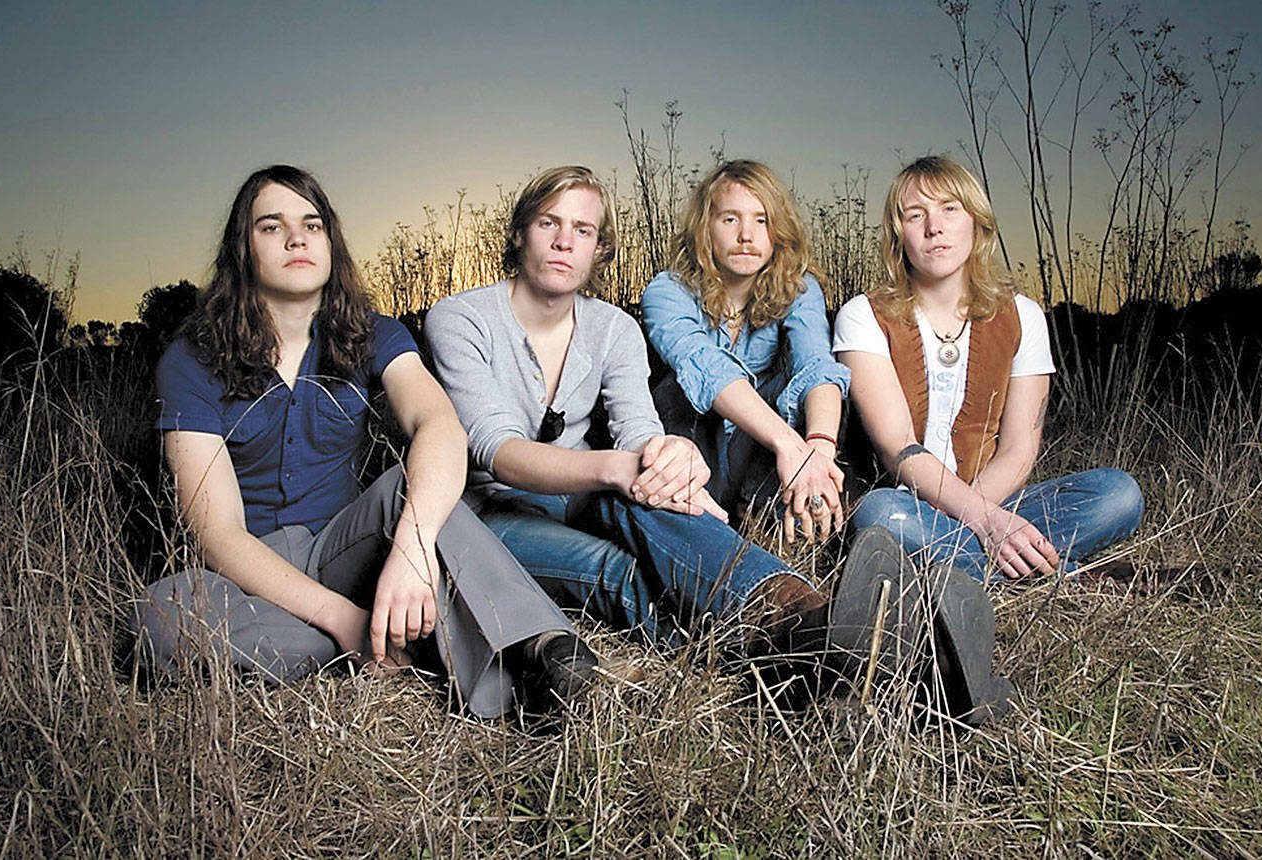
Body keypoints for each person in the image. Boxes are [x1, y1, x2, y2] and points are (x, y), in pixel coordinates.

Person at [134, 165, 593, 718]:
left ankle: (543, 651)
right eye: (272, 227)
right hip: (243, 572)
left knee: (419, 484)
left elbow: (439, 425)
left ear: (331, 241)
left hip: (340, 546)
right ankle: (364, 638)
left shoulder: (372, 333)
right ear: (242, 248)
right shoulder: (191, 359)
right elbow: (217, 535)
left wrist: (413, 546)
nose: (297, 238)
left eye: (312, 224)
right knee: (161, 618)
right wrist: (343, 619)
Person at [424, 165, 854, 664]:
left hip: (585, 497)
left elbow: (638, 431)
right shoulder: (459, 318)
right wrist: (619, 469)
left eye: (582, 230)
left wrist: (668, 458)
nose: (565, 242)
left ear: (599, 249)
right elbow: (495, 450)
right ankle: (786, 653)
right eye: (549, 224)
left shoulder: (614, 329)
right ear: (520, 233)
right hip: (488, 511)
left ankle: (802, 614)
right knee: (622, 570)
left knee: (654, 485)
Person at [833, 156, 1143, 582]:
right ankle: (1066, 576)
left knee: (1119, 495)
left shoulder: (1022, 316)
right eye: (915, 214)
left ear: (975, 222)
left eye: (949, 209)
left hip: (990, 505)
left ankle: (952, 566)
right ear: (897, 234)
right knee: (880, 515)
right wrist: (984, 524)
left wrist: (986, 518)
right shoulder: (864, 315)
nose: (933, 226)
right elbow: (898, 447)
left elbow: (1019, 449)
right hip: (904, 504)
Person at [642, 160, 849, 543]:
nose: (746, 236)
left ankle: (784, 524)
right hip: (693, 442)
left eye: (761, 220)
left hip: (761, 461)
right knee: (678, 389)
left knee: (814, 397)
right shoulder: (666, 290)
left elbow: (817, 365)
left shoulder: (800, 289)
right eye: (730, 220)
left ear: (778, 232)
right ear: (706, 228)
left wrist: (818, 451)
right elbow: (706, 368)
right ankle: (697, 526)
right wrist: (790, 446)